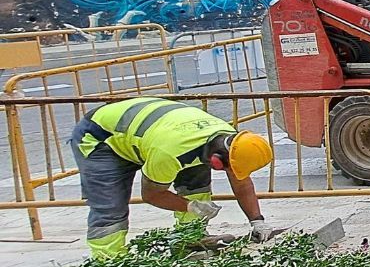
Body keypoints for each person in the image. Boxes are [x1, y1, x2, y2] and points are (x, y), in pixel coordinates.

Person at [69, 97, 275, 258]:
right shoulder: (169, 153)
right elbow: (152, 195)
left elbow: (241, 182)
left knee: (197, 182)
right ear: (218, 159)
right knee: (110, 206)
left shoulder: (229, 139)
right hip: (101, 139)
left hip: (151, 133)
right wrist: (189, 206)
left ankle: (190, 241)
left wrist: (257, 221)